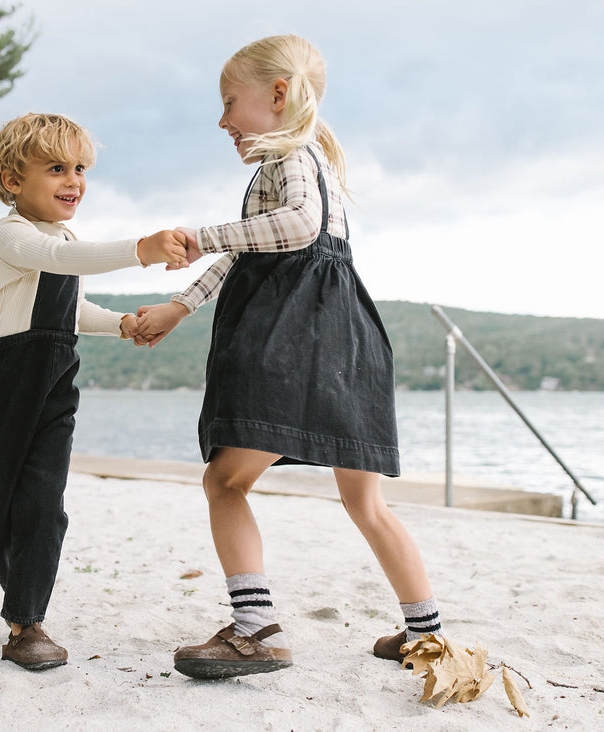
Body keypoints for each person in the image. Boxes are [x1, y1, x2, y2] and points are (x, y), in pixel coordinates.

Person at [133, 35, 442, 679]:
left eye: (229, 103)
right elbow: (257, 248)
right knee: (367, 503)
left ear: (276, 96)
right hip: (347, 347)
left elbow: (295, 227)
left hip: (293, 340)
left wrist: (200, 236)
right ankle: (427, 635)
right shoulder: (311, 162)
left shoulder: (291, 159)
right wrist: (180, 305)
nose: (222, 121)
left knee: (226, 481)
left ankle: (256, 628)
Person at [0, 112, 188, 671]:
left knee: (44, 503)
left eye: (81, 168)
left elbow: (68, 308)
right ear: (13, 182)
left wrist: (121, 324)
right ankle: (22, 597)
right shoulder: (10, 236)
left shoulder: (66, 239)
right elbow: (58, 262)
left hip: (55, 376)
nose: (74, 180)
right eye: (57, 168)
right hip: (2, 378)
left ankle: (26, 623)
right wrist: (141, 248)